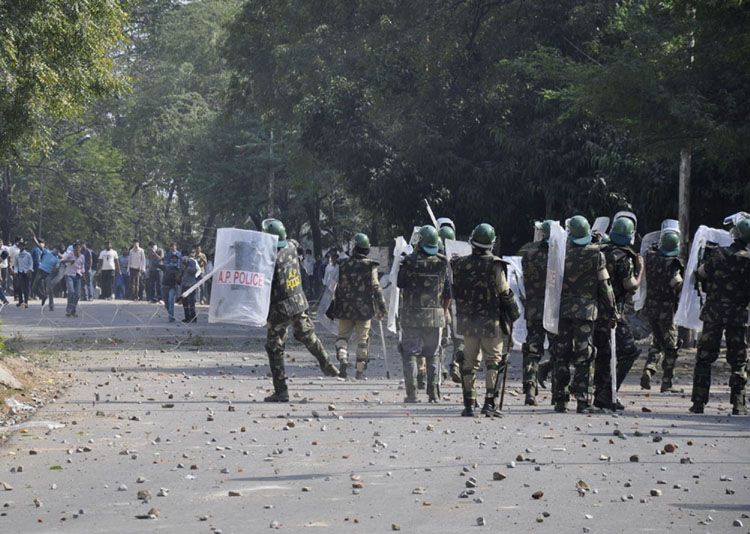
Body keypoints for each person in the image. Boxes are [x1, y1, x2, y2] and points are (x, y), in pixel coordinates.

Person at [261, 218, 339, 402]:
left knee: (274, 347)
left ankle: (281, 391)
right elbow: (293, 242)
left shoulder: (270, 258)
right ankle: (326, 362)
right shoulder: (291, 247)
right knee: (307, 335)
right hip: (298, 301)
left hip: (279, 308)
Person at [452, 224, 519, 417]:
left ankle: (469, 404)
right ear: (491, 243)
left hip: (468, 320)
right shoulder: (495, 265)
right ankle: (489, 403)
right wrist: (514, 314)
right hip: (490, 320)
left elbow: (455, 289)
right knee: (493, 361)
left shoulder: (459, 263)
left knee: (469, 362)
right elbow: (504, 292)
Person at [552, 215, 616, 413]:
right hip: (586, 313)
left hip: (562, 311)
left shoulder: (560, 253)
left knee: (561, 355)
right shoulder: (597, 255)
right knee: (584, 355)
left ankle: (560, 400)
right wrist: (612, 310)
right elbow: (605, 286)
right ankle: (583, 400)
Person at [690, 217, 750, 415]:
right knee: (739, 360)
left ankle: (698, 403)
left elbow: (700, 273)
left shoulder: (719, 254)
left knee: (704, 358)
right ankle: (739, 404)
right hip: (738, 316)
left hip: (714, 313)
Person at [592, 216, 643, 411]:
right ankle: (607, 393)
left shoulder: (600, 251)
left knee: (604, 353)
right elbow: (631, 286)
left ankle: (601, 394)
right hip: (612, 312)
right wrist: (640, 270)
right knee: (629, 351)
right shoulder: (624, 258)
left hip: (594, 310)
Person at [397, 225, 451, 403]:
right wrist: (443, 312)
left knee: (410, 354)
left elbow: (400, 283)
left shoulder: (409, 261)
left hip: (411, 316)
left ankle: (412, 394)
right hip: (435, 316)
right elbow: (448, 294)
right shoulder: (443, 263)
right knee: (433, 354)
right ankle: (433, 394)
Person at [328, 233, 387, 379]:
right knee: (363, 340)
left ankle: (343, 359)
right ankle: (359, 372)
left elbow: (331, 286)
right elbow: (376, 288)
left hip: (344, 309)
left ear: (354, 248)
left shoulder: (342, 264)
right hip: (364, 310)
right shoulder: (370, 266)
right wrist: (382, 308)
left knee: (342, 337)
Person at [639, 227, 684, 392]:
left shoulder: (650, 257)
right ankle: (667, 382)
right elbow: (677, 282)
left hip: (651, 307)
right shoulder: (673, 263)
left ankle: (649, 368)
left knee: (657, 341)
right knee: (671, 346)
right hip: (667, 310)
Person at [518, 221, 555, 406]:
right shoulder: (560, 255)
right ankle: (558, 393)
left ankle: (530, 390)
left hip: (534, 307)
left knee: (532, 350)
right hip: (554, 309)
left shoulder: (529, 253)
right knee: (558, 350)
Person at [34, 238, 60, 311]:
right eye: (56, 249)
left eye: (58, 251)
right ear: (54, 249)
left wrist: (54, 272)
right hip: (40, 270)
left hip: (48, 273)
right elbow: (39, 245)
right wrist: (34, 238)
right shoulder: (47, 252)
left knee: (49, 289)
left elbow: (56, 269)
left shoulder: (57, 259)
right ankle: (43, 296)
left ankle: (51, 305)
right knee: (34, 287)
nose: (56, 251)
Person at [62, 242, 86, 317]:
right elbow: (62, 261)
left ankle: (73, 310)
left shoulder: (82, 257)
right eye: (76, 249)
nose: (77, 250)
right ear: (74, 249)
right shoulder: (70, 255)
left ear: (80, 249)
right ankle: (69, 310)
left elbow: (82, 267)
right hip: (69, 275)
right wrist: (69, 261)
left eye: (78, 248)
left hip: (78, 276)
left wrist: (84, 276)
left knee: (77, 294)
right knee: (71, 292)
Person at [179, 250, 200, 323]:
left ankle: (193, 317)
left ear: (187, 256)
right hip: (184, 284)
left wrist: (187, 267)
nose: (183, 258)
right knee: (184, 301)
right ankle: (187, 317)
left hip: (191, 284)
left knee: (191, 302)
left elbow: (194, 271)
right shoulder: (182, 262)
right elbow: (181, 272)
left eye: (184, 256)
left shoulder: (192, 262)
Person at [14, 240, 33, 308]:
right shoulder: (17, 255)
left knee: (26, 288)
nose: (21, 247)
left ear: (24, 246)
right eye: (20, 246)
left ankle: (26, 302)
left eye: (22, 246)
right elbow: (16, 264)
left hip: (26, 272)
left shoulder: (28, 254)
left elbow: (31, 263)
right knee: (18, 286)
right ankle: (20, 301)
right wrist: (15, 271)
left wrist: (29, 270)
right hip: (20, 272)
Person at [162, 253, 181, 322]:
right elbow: (157, 265)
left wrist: (178, 280)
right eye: (173, 258)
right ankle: (170, 314)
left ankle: (171, 317)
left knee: (171, 302)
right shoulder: (166, 266)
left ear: (177, 260)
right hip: (165, 286)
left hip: (172, 287)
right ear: (171, 259)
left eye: (175, 258)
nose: (174, 259)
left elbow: (179, 280)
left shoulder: (179, 268)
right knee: (166, 303)